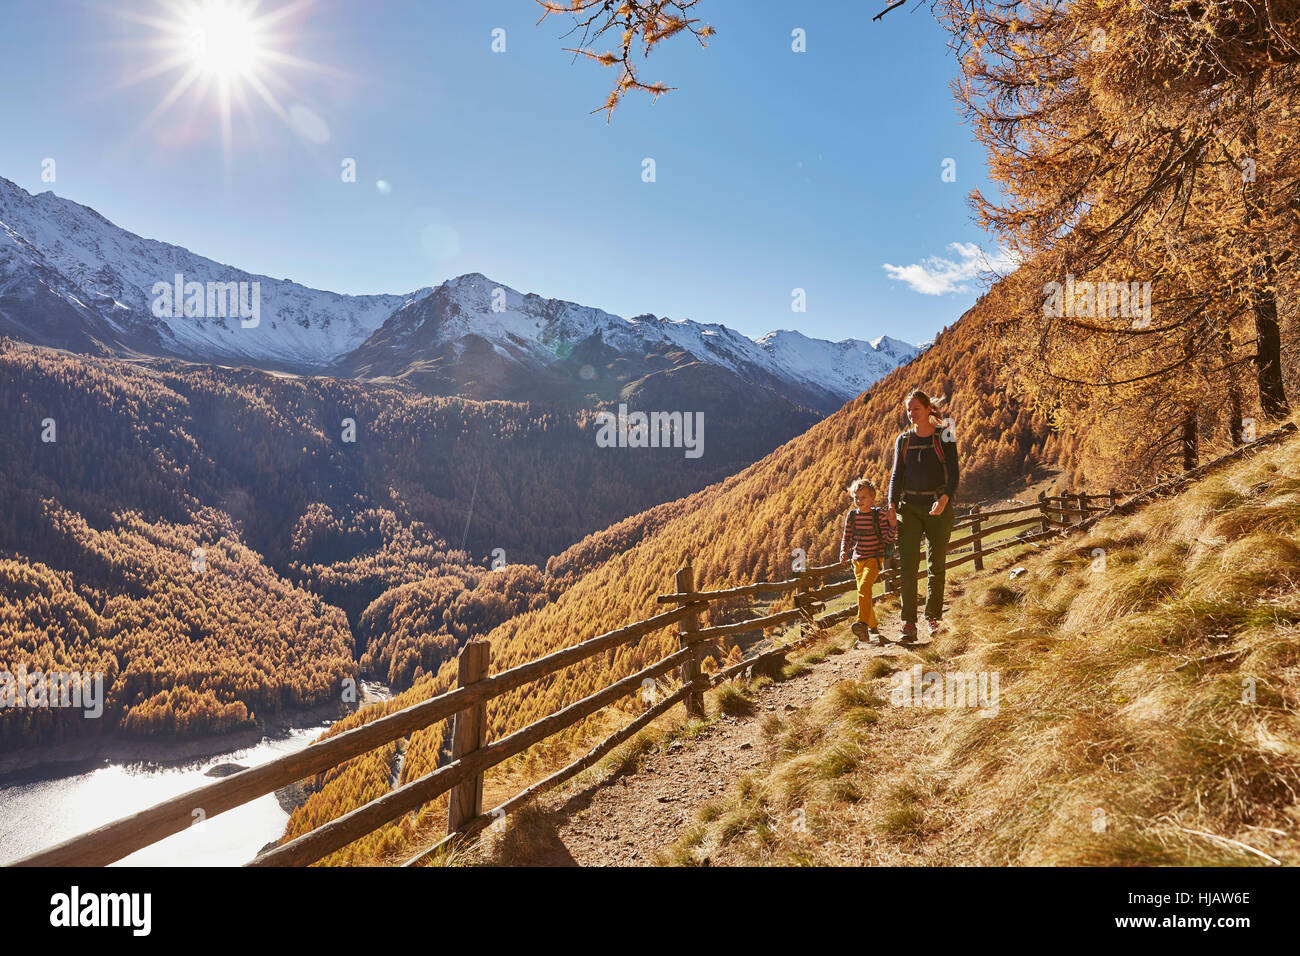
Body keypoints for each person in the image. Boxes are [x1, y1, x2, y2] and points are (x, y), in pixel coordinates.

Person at [887, 389, 959, 642]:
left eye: (916, 408)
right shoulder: (903, 440)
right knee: (907, 568)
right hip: (909, 509)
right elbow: (896, 475)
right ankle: (908, 623)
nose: (911, 414)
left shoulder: (945, 436)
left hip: (938, 507)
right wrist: (891, 505)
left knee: (935, 566)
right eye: (908, 410)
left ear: (928, 409)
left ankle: (933, 618)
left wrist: (944, 500)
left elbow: (954, 473)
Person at [839, 477, 896, 645]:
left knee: (864, 588)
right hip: (857, 560)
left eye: (863, 497)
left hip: (874, 558)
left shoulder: (879, 515)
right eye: (856, 497)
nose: (859, 501)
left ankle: (862, 623)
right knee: (863, 594)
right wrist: (843, 551)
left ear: (873, 498)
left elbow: (887, 538)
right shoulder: (852, 516)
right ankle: (873, 627)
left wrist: (893, 526)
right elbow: (847, 537)